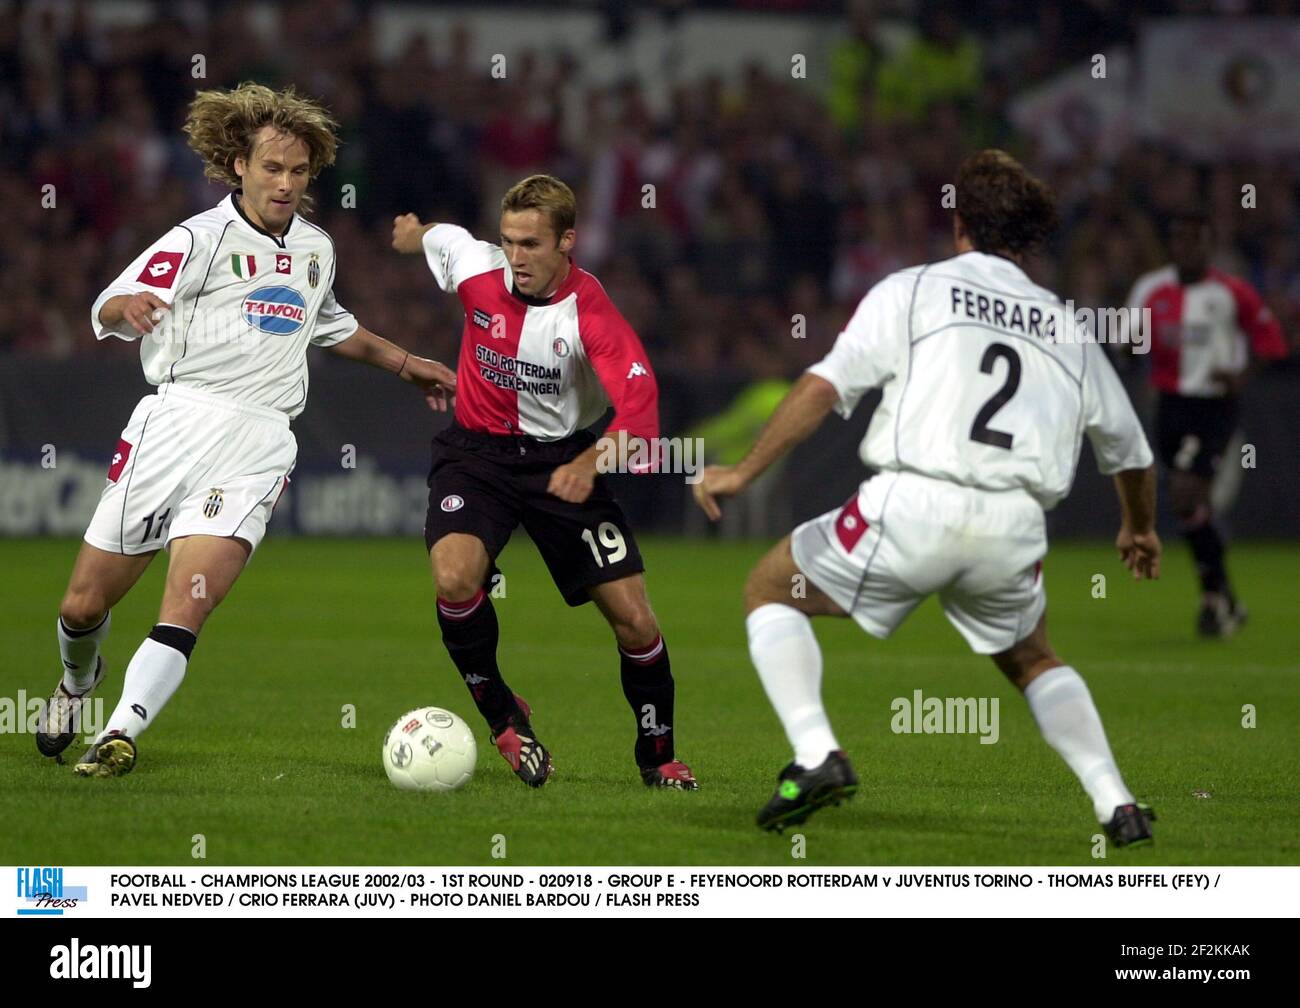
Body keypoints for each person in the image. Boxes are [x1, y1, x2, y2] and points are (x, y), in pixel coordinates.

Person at [694, 150, 1160, 844]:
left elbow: (825, 386)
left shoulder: (913, 289)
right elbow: (1129, 451)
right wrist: (1138, 528)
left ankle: (817, 753)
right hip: (1014, 525)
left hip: (915, 503)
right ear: (1027, 240)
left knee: (769, 589)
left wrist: (743, 471)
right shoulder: (1069, 327)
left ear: (959, 224)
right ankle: (1116, 803)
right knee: (1033, 657)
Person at [35, 83, 456, 777]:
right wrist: (129, 305)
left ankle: (119, 734)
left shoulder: (316, 249)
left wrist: (407, 364)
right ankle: (78, 682)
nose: (286, 184)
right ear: (238, 165)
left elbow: (332, 325)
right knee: (82, 605)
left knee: (188, 601)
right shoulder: (199, 238)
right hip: (174, 423)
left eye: (297, 172)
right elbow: (107, 305)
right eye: (272, 168)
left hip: (259, 443)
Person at [391, 174, 698, 790]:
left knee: (636, 622)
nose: (516, 257)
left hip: (562, 460)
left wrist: (589, 464)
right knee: (454, 577)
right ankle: (504, 717)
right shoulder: (475, 265)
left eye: (531, 244)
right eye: (508, 241)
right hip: (475, 456)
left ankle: (658, 756)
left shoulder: (592, 314)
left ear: (567, 242)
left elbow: (641, 415)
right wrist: (412, 234)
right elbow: (438, 238)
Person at [1125, 210, 1287, 637]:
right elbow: (1128, 344)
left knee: (1184, 490)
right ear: (1171, 245)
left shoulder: (1232, 293)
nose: (1187, 248)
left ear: (1209, 245)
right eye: (1180, 239)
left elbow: (1271, 340)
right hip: (1168, 405)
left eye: (1196, 240)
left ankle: (1214, 602)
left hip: (1213, 406)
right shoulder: (1150, 288)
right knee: (1188, 506)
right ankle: (1224, 596)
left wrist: (1242, 374)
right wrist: (1127, 345)